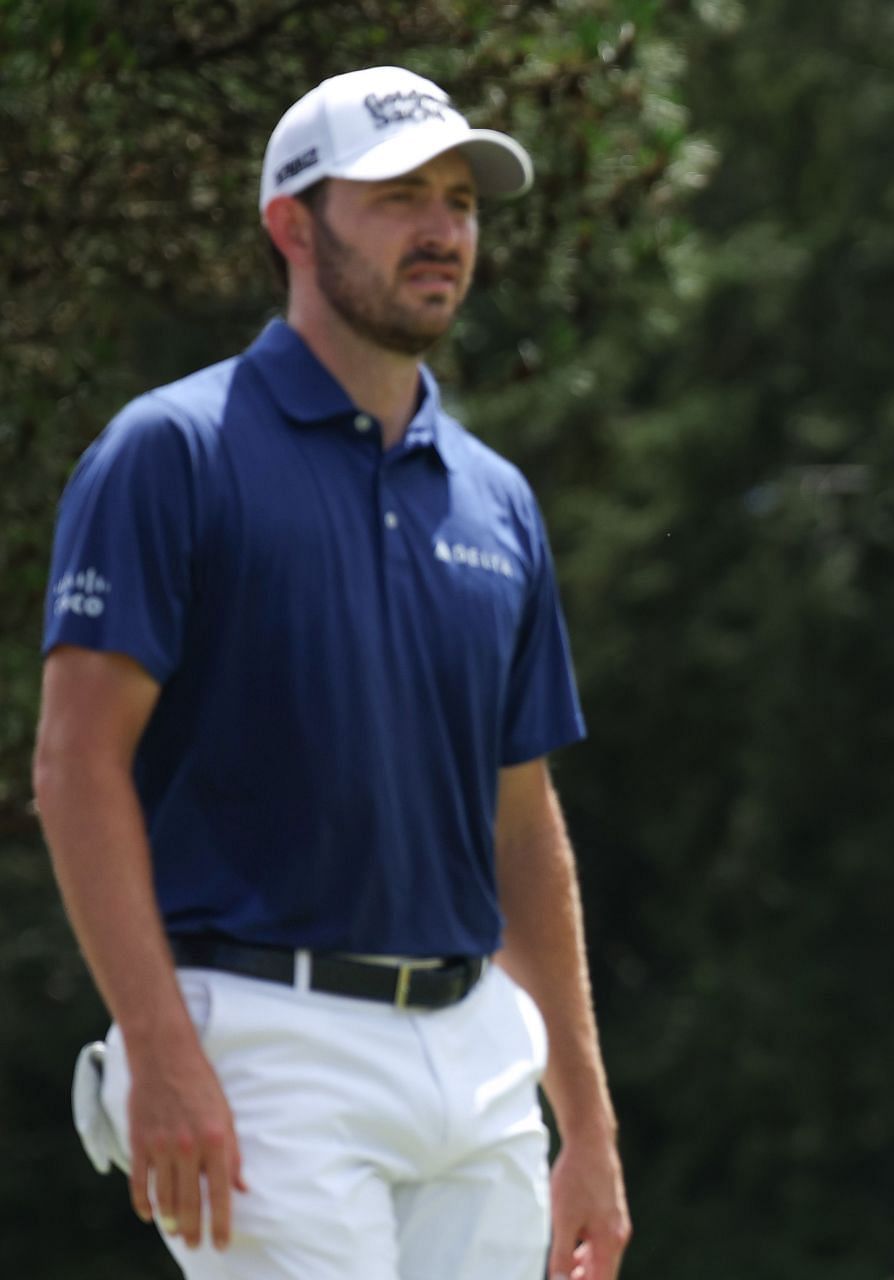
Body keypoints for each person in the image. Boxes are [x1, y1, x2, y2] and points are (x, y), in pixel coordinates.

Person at [33, 66, 630, 1280]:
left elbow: (524, 825)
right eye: (399, 195)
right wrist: (158, 1045)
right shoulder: (172, 452)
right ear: (291, 224)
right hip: (260, 1043)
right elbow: (75, 762)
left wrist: (591, 1124)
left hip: (477, 1055)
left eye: (460, 200)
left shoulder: (497, 498)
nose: (442, 229)